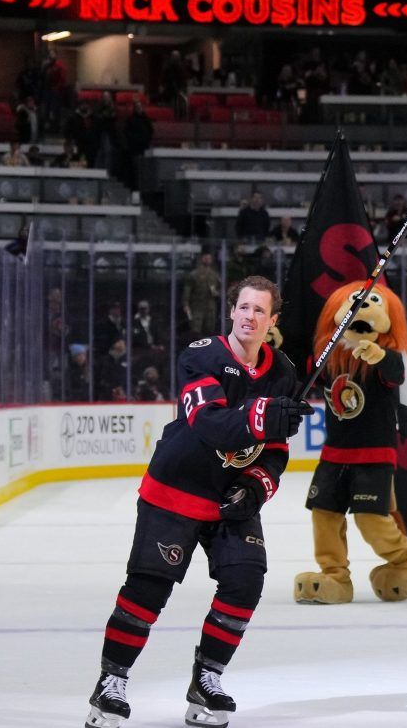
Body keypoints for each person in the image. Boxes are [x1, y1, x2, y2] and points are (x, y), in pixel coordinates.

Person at [84, 275, 312, 728]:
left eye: (260, 310)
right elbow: (210, 423)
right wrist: (265, 415)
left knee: (245, 581)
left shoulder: (282, 372)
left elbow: (276, 451)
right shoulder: (200, 355)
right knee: (150, 588)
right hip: (176, 490)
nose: (250, 317)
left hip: (229, 497)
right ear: (231, 311)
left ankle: (206, 679)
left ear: (273, 320)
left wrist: (255, 487)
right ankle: (110, 684)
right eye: (243, 308)